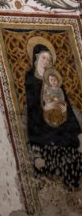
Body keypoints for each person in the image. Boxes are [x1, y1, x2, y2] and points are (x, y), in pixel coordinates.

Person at [24, 39, 82, 189]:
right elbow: (31, 105)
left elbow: (65, 101)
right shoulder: (30, 77)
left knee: (69, 148)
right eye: (43, 57)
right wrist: (45, 106)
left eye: (49, 59)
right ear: (36, 57)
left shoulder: (54, 78)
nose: (46, 61)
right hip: (39, 120)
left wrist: (64, 110)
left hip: (59, 121)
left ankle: (70, 182)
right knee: (48, 149)